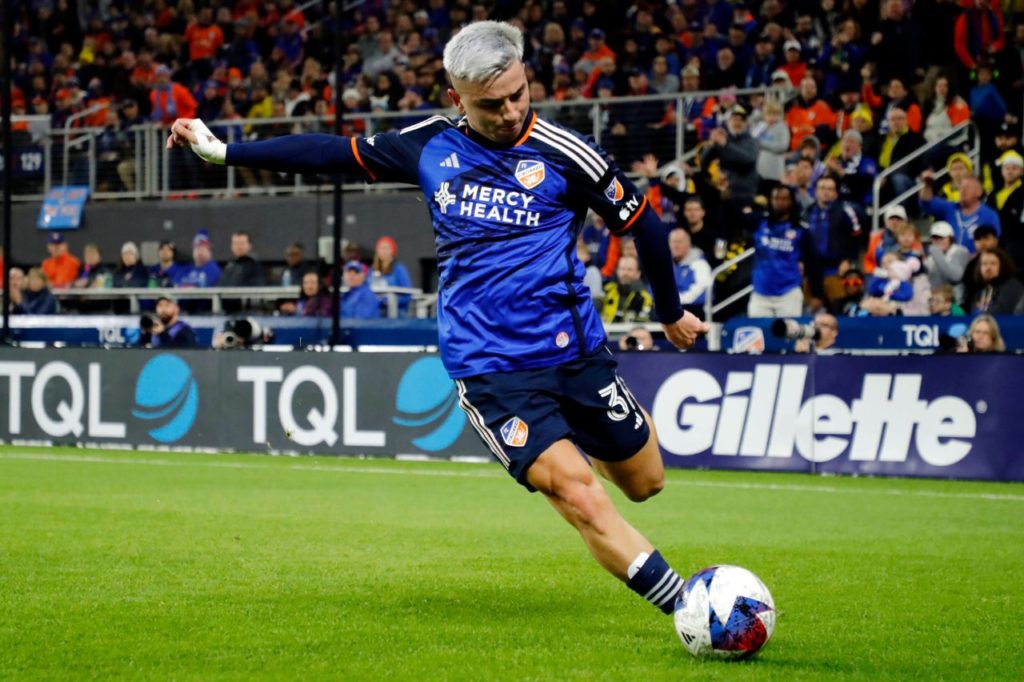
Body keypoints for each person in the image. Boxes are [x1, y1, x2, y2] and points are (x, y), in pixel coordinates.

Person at [167, 20, 708, 618]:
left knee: (645, 482)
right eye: (489, 104)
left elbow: (646, 228)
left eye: (517, 96)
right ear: (456, 98)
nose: (508, 112)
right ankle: (691, 608)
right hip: (491, 369)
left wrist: (671, 312)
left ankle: (574, 439)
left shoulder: (567, 154)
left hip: (574, 351)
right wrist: (223, 150)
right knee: (579, 496)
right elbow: (328, 153)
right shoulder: (428, 145)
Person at [748, 185, 824, 317]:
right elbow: (733, 217)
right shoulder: (759, 223)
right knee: (758, 335)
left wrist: (817, 294)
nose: (780, 202)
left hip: (788, 293)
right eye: (776, 198)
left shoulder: (801, 230)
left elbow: (814, 264)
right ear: (770, 200)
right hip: (760, 294)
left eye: (784, 198)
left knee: (788, 335)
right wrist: (724, 197)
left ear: (791, 202)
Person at [919, 171, 1001, 253]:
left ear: (979, 192)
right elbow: (926, 202)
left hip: (975, 262)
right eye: (961, 187)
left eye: (967, 188)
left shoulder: (990, 215)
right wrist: (928, 185)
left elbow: (993, 243)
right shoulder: (950, 208)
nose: (963, 191)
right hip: (948, 261)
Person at [966, 248, 1023, 315]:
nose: (988, 268)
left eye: (993, 264)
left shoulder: (1012, 286)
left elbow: (1001, 313)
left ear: (1003, 266)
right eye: (984, 264)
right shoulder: (980, 291)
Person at [925, 222, 971, 303]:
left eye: (941, 238)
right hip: (936, 303)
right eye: (935, 238)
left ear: (950, 238)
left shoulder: (960, 252)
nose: (938, 241)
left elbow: (955, 277)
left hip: (956, 303)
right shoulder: (930, 258)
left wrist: (936, 252)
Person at [601, 255, 653, 323]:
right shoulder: (606, 291)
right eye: (622, 269)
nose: (625, 273)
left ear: (638, 274)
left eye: (630, 269)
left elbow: (642, 324)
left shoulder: (644, 298)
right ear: (617, 271)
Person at [370, 235, 413, 316]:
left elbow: (408, 295)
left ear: (392, 250)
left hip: (397, 314)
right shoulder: (372, 270)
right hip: (376, 314)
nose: (383, 251)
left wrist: (388, 301)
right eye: (381, 248)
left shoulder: (399, 269)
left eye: (386, 248)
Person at [668, 228, 710, 308]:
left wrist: (670, 301)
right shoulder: (667, 264)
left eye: (680, 242)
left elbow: (703, 294)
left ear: (688, 243)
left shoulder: (700, 265)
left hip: (694, 312)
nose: (676, 245)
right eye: (673, 242)